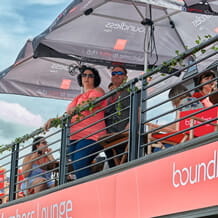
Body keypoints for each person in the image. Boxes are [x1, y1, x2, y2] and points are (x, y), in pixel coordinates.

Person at [44, 66, 107, 179]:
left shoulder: (97, 90)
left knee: (79, 162)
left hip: (91, 134)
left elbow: (94, 101)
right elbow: (68, 114)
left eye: (90, 75)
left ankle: (87, 188)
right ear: (81, 78)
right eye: (84, 75)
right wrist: (54, 120)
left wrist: (78, 108)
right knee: (77, 165)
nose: (87, 77)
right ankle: (87, 186)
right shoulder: (77, 97)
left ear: (95, 79)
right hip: (75, 136)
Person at [104, 65, 140, 167]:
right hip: (109, 137)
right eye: (114, 73)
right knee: (112, 165)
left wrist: (128, 129)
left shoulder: (130, 91)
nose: (116, 75)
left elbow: (137, 110)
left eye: (119, 73)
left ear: (125, 76)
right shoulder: (109, 96)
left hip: (124, 135)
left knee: (127, 165)